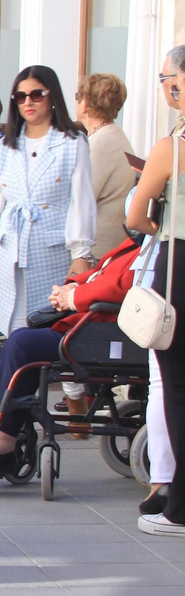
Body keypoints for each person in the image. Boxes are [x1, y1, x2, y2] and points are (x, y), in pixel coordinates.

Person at [0, 236, 139, 479]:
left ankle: (0, 439)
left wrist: (75, 296)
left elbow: (123, 286)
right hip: (90, 325)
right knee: (21, 342)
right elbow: (98, 273)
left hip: (103, 333)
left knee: (23, 343)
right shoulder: (135, 244)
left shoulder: (151, 248)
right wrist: (71, 286)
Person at [0, 67, 95, 338]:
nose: (28, 102)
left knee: (59, 332)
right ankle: (16, 380)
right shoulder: (7, 144)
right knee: (14, 332)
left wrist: (81, 253)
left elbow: (82, 201)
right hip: (10, 248)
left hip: (53, 250)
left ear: (51, 96)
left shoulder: (73, 143)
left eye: (36, 94)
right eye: (20, 96)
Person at [130, 47, 185, 537]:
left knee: (177, 387)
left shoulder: (173, 145)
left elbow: (135, 214)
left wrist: (157, 221)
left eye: (169, 77)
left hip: (180, 261)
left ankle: (179, 506)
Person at [75, 73, 135, 259]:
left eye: (78, 96)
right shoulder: (109, 135)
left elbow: (79, 198)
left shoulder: (101, 142)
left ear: (84, 104)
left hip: (95, 251)